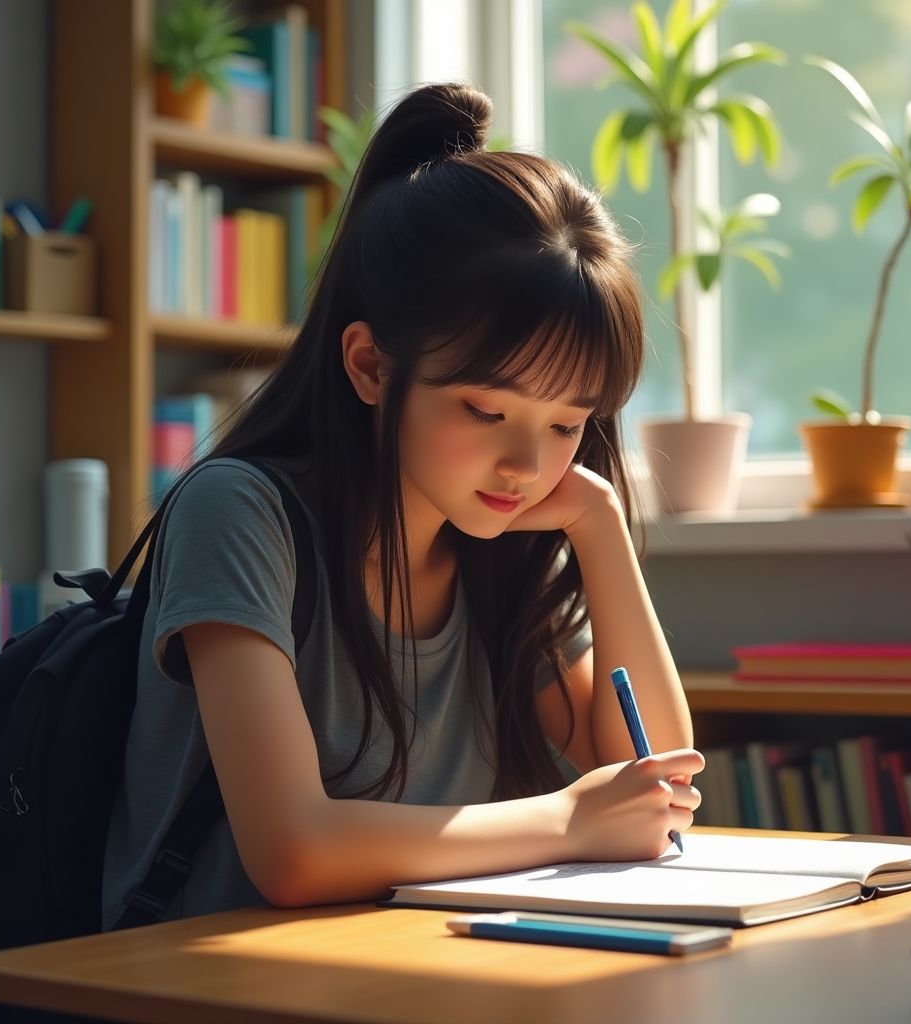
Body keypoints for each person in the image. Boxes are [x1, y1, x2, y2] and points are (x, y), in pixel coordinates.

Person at [102, 82, 703, 927]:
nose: (527, 462)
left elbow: (654, 773)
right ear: (372, 367)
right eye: (486, 411)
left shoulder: (499, 538)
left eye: (569, 422)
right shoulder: (241, 513)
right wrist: (569, 819)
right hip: (206, 980)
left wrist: (601, 528)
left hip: (408, 966)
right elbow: (294, 851)